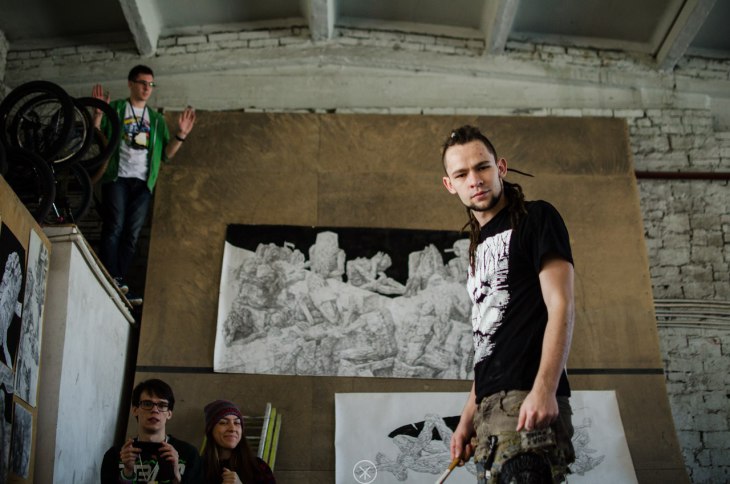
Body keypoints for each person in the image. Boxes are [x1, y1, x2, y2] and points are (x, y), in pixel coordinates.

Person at [441, 125, 575, 483]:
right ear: (450, 185)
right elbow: (489, 342)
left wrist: (544, 389)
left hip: (526, 397)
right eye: (462, 174)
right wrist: (467, 419)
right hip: (488, 410)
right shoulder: (476, 249)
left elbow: (561, 305)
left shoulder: (537, 218)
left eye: (482, 167)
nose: (475, 180)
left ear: (500, 167)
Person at [92, 65, 196, 305]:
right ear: (131, 84)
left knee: (132, 234)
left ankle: (118, 280)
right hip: (117, 177)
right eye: (142, 83)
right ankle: (109, 275)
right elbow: (96, 135)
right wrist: (97, 115)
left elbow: (166, 155)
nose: (147, 88)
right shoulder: (117, 108)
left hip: (143, 183)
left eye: (151, 84)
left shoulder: (156, 120)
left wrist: (181, 135)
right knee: (115, 226)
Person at [101, 379, 203, 483]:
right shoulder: (115, 455)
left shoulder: (189, 454)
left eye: (162, 405)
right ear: (135, 410)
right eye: (147, 404)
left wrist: (176, 477)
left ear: (169, 413)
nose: (154, 410)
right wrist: (127, 473)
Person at [202, 399, 276, 484]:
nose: (232, 429)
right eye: (223, 423)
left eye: (237, 423)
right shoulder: (197, 468)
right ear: (210, 430)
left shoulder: (259, 468)